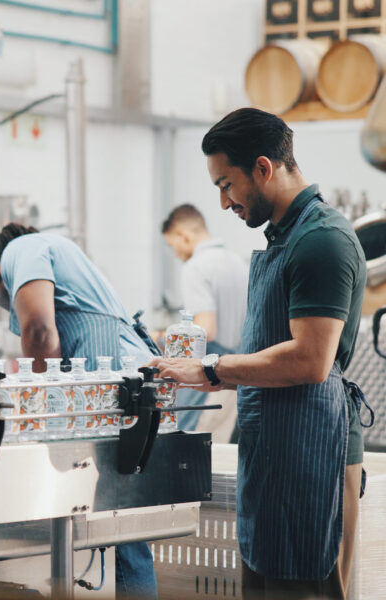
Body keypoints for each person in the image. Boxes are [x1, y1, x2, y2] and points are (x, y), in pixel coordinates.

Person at [150, 108, 372, 600]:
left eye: (226, 184)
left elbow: (310, 360)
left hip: (313, 455)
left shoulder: (321, 240)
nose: (224, 201)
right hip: (276, 451)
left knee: (304, 587)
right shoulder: (285, 237)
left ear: (264, 168)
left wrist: (210, 369)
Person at [0, 223, 158, 599]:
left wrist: (40, 406)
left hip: (111, 386)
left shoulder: (21, 250)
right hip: (125, 384)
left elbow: (40, 330)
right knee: (124, 526)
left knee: (122, 526)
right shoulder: (58, 252)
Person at [161, 204, 248, 441]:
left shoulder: (195, 267)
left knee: (188, 450)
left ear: (182, 235)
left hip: (208, 380)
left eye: (172, 245)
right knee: (218, 451)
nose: (176, 253)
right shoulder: (238, 263)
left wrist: (160, 337)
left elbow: (205, 330)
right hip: (237, 378)